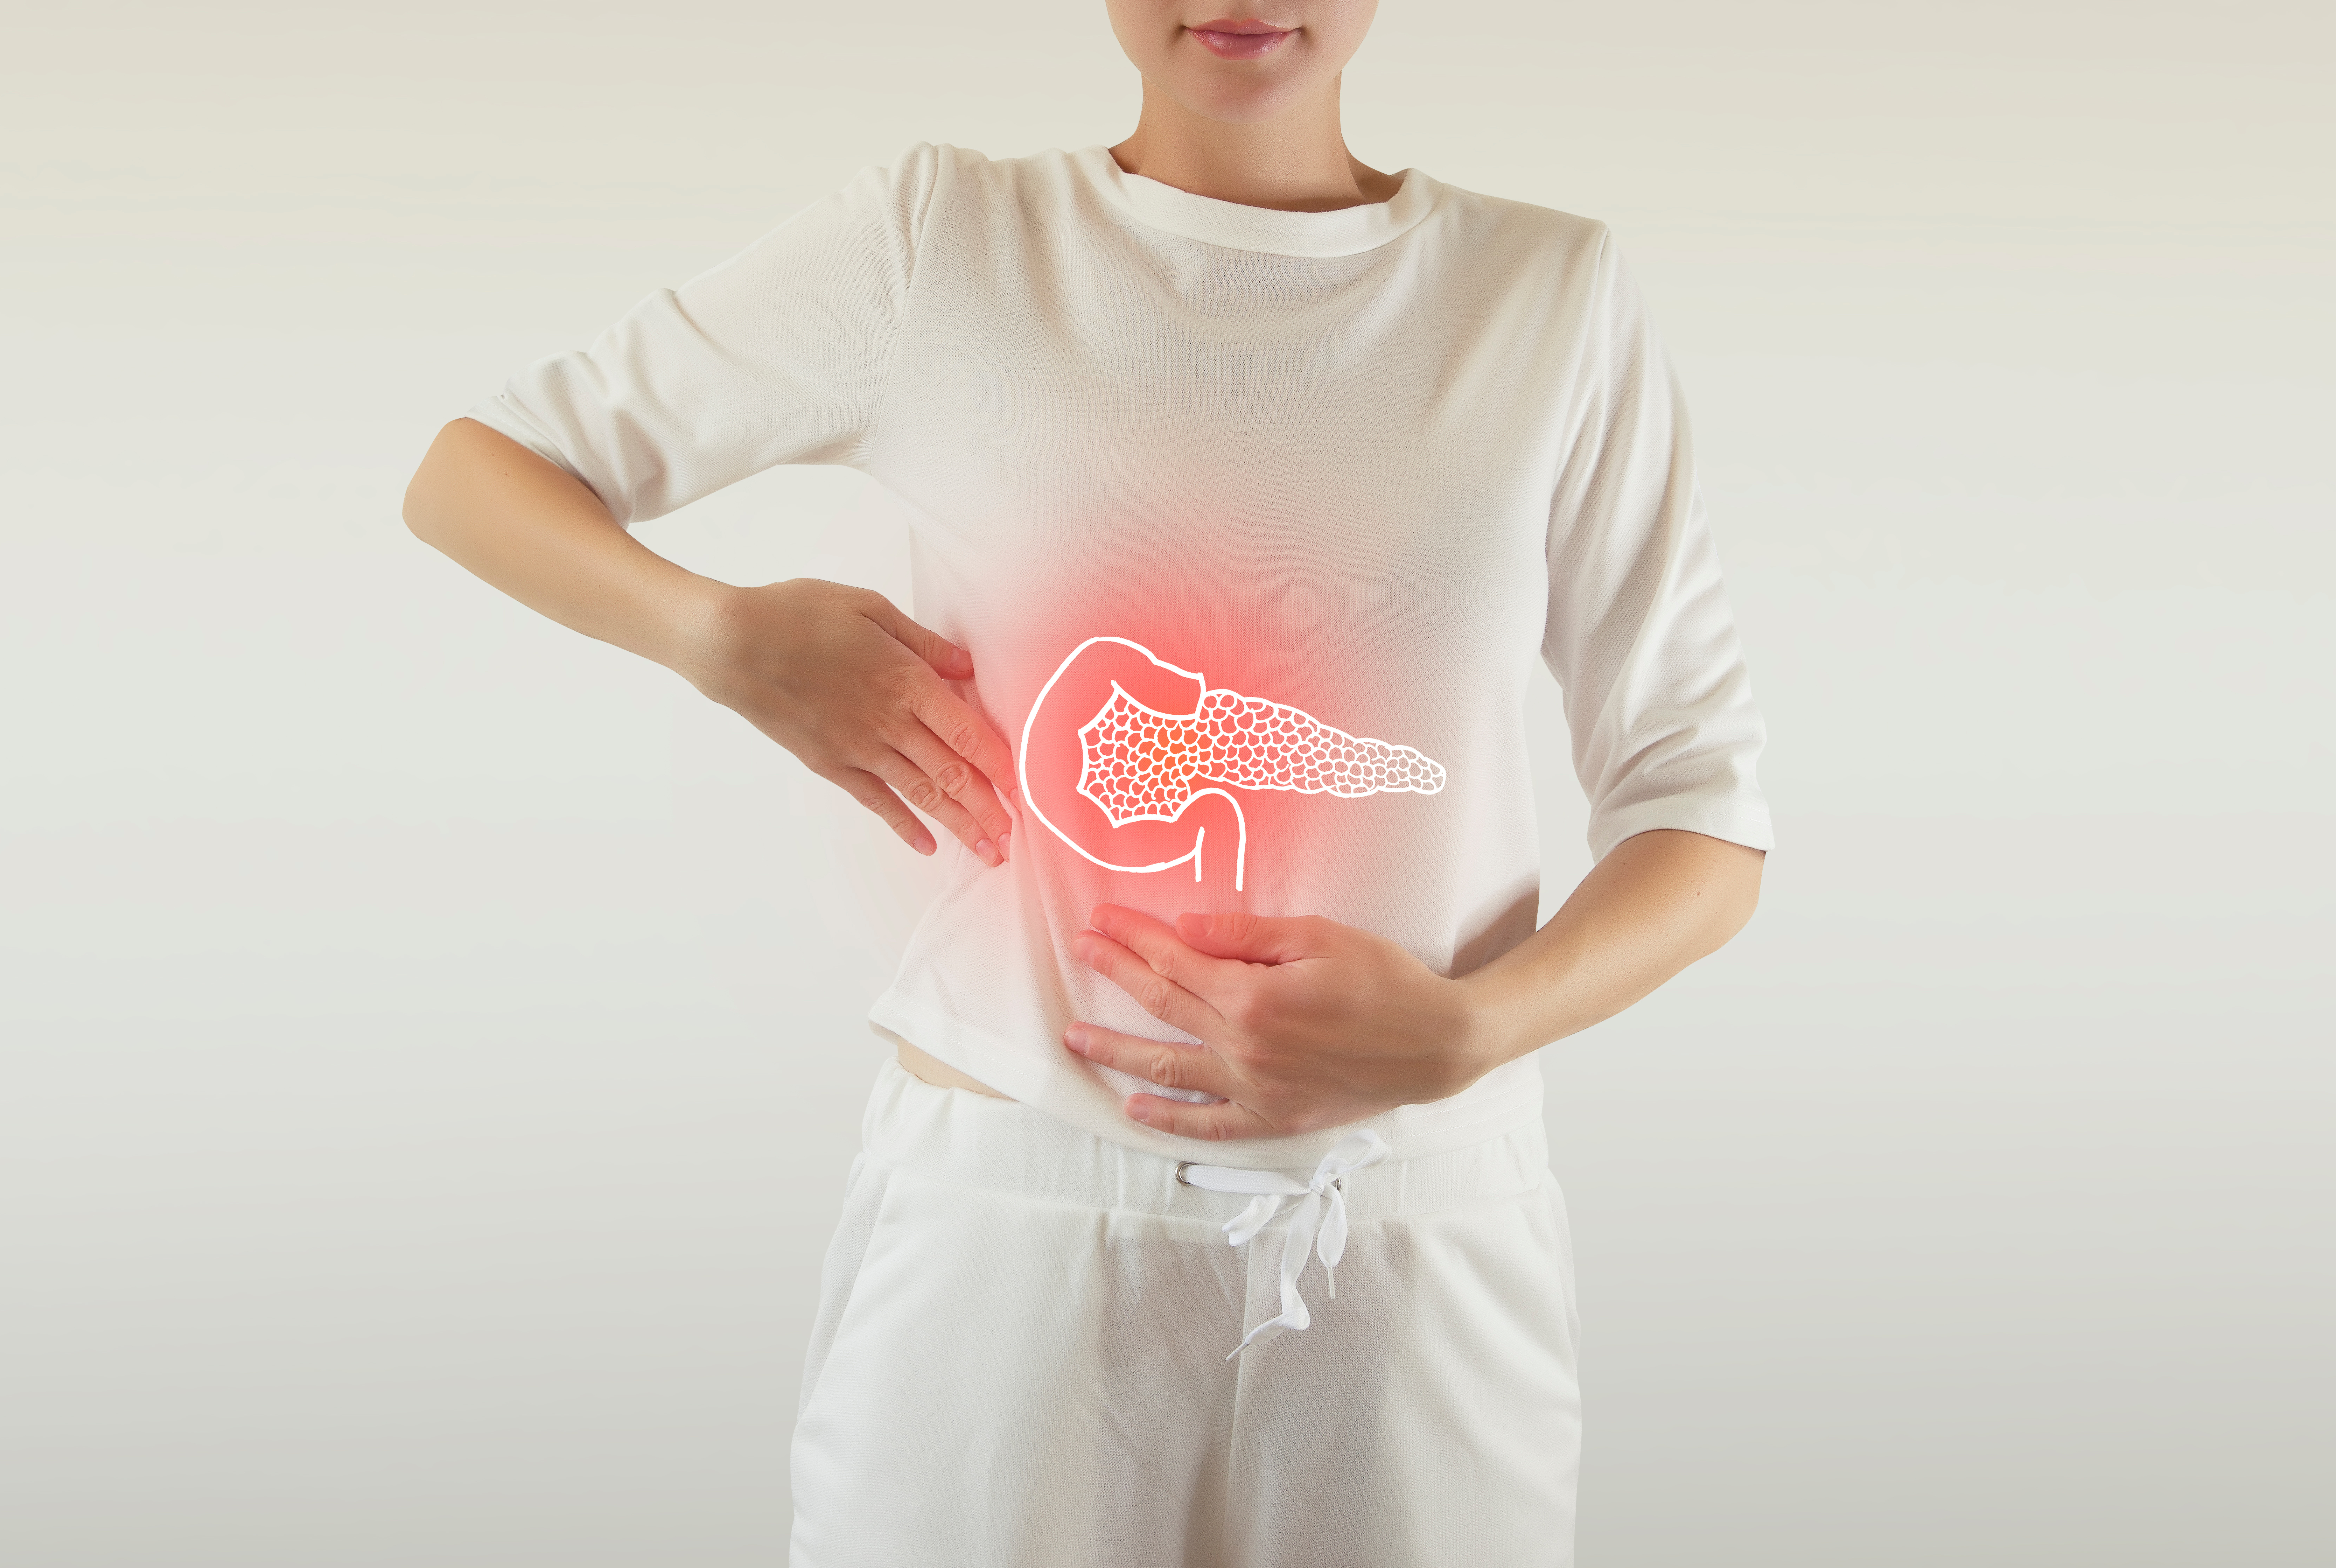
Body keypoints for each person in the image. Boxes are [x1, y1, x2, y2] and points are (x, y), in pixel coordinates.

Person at [402, 3, 1772, 1562]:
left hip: (1409, 1242)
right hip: (1016, 1246)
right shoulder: (944, 243)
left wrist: (1468, 1027)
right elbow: (475, 473)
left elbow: (1703, 807)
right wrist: (723, 636)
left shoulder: (1548, 297)